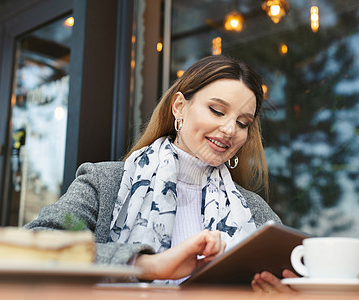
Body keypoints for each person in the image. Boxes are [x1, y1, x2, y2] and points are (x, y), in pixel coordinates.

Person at [25, 55, 291, 288]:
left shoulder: (254, 212)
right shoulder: (104, 183)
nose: (230, 130)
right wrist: (147, 266)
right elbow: (33, 247)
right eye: (217, 110)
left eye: (243, 123)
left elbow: (293, 276)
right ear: (179, 107)